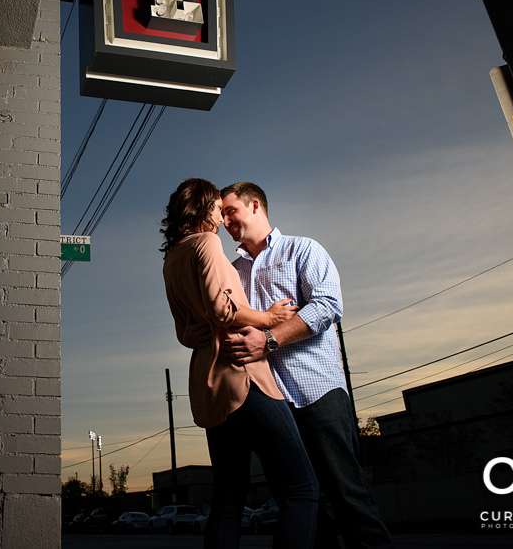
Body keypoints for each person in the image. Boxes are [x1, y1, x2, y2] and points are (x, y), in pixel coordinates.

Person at [217, 181, 393, 549]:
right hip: (272, 403)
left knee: (348, 495)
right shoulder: (233, 271)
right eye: (221, 213)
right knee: (299, 504)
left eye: (230, 210)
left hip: (318, 392)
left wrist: (268, 338)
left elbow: (327, 305)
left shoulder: (303, 249)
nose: (224, 219)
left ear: (254, 205)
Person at [161, 178, 319, 549]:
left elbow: (184, 331)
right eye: (218, 207)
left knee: (228, 499)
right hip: (242, 375)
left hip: (209, 386)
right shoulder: (206, 243)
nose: (221, 217)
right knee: (302, 489)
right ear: (203, 207)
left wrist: (196, 334)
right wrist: (270, 318)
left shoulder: (172, 259)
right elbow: (222, 308)